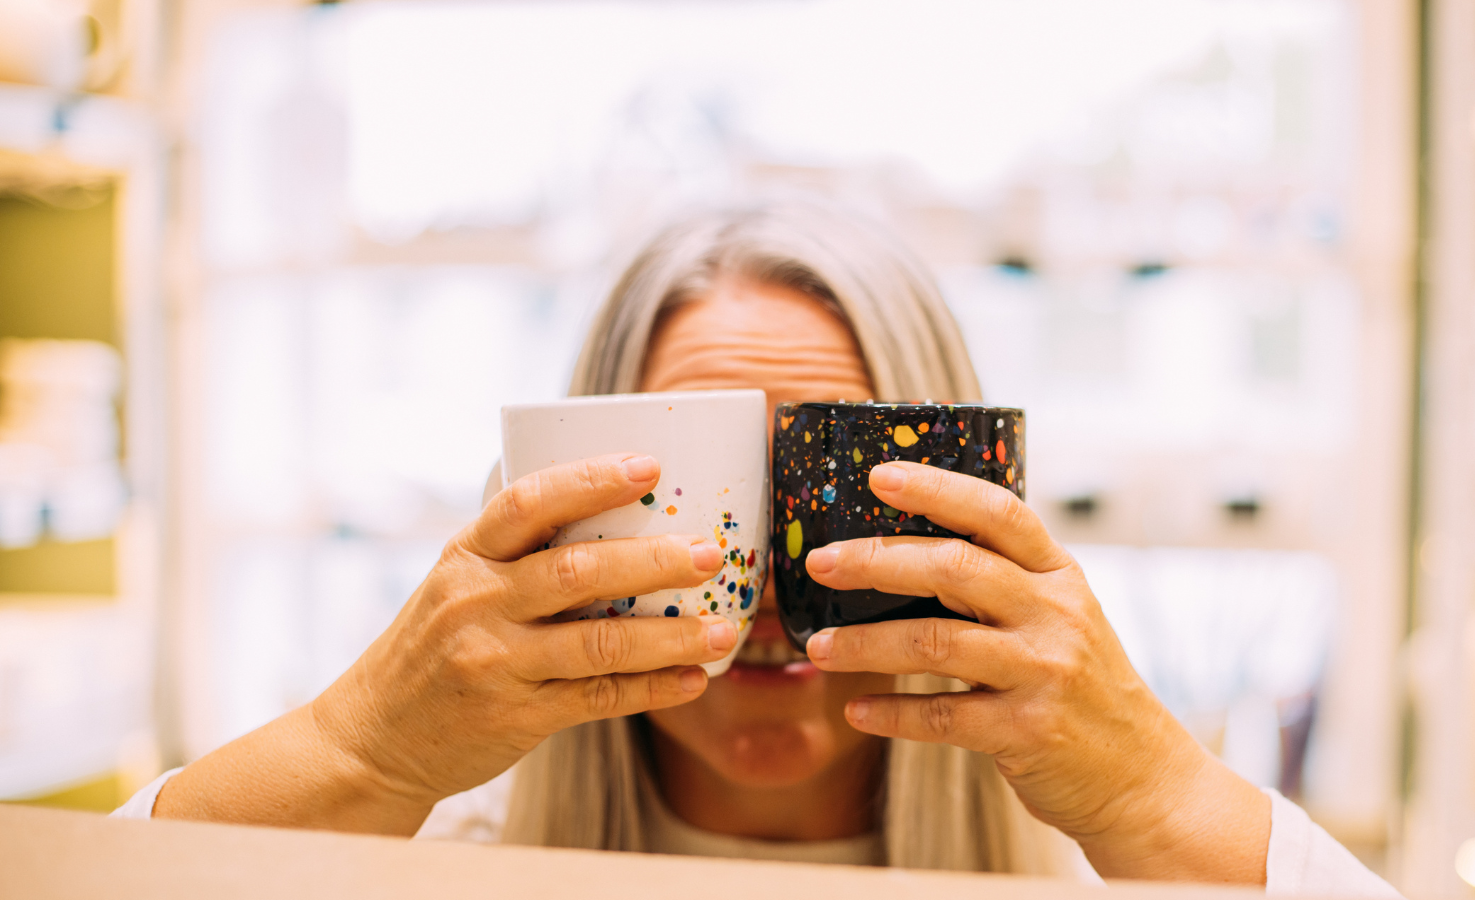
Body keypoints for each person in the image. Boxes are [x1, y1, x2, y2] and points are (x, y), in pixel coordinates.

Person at [115, 202, 1398, 896]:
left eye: (828, 500)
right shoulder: (438, 862)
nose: (772, 606)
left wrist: (1150, 797)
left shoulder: (1116, 871)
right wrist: (365, 749)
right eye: (703, 503)